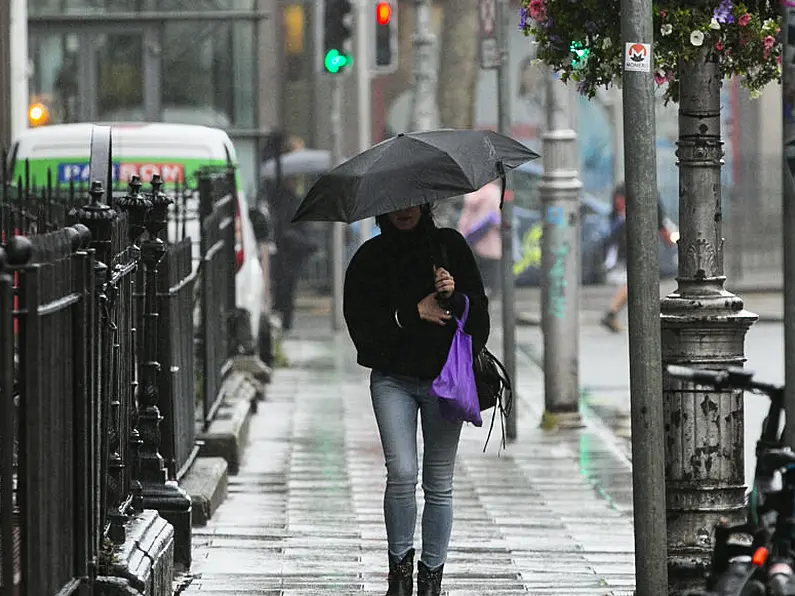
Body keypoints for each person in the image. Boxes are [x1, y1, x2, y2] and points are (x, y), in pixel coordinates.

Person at [343, 204, 490, 596]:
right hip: (394, 382)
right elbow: (364, 337)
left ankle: (431, 580)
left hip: (446, 382)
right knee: (403, 473)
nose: (404, 211)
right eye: (395, 203)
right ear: (382, 208)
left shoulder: (449, 248)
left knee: (439, 483)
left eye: (412, 201)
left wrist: (455, 297)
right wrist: (412, 313)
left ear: (425, 204)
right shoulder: (369, 261)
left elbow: (481, 326)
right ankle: (400, 574)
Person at [600, 182, 676, 333]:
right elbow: (660, 223)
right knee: (637, 279)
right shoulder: (649, 193)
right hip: (637, 243)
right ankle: (613, 312)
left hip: (626, 242)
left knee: (638, 279)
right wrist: (669, 242)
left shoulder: (626, 190)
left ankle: (617, 314)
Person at [269, 175, 317, 332]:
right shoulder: (281, 201)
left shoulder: (295, 201)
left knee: (287, 289)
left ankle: (286, 322)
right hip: (284, 253)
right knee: (283, 289)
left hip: (292, 254)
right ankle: (283, 321)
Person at [456, 181, 503, 296]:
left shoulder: (471, 193)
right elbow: (498, 219)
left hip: (468, 241)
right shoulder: (494, 193)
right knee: (488, 283)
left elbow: (464, 218)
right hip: (489, 245)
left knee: (472, 280)